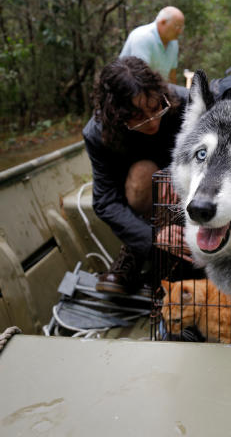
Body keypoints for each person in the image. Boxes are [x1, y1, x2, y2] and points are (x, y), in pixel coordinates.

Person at [82, 57, 189, 293]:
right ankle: (137, 252)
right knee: (143, 174)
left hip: (191, 185)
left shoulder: (183, 101)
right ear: (116, 117)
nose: (152, 122)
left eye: (154, 109)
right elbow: (106, 201)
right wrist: (155, 236)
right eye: (138, 117)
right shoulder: (97, 134)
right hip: (144, 202)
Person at [118, 6, 184, 83]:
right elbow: (140, 77)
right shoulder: (142, 36)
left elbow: (172, 76)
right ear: (163, 22)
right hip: (128, 88)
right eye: (177, 27)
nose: (180, 32)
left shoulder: (173, 43)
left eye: (181, 28)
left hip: (155, 89)